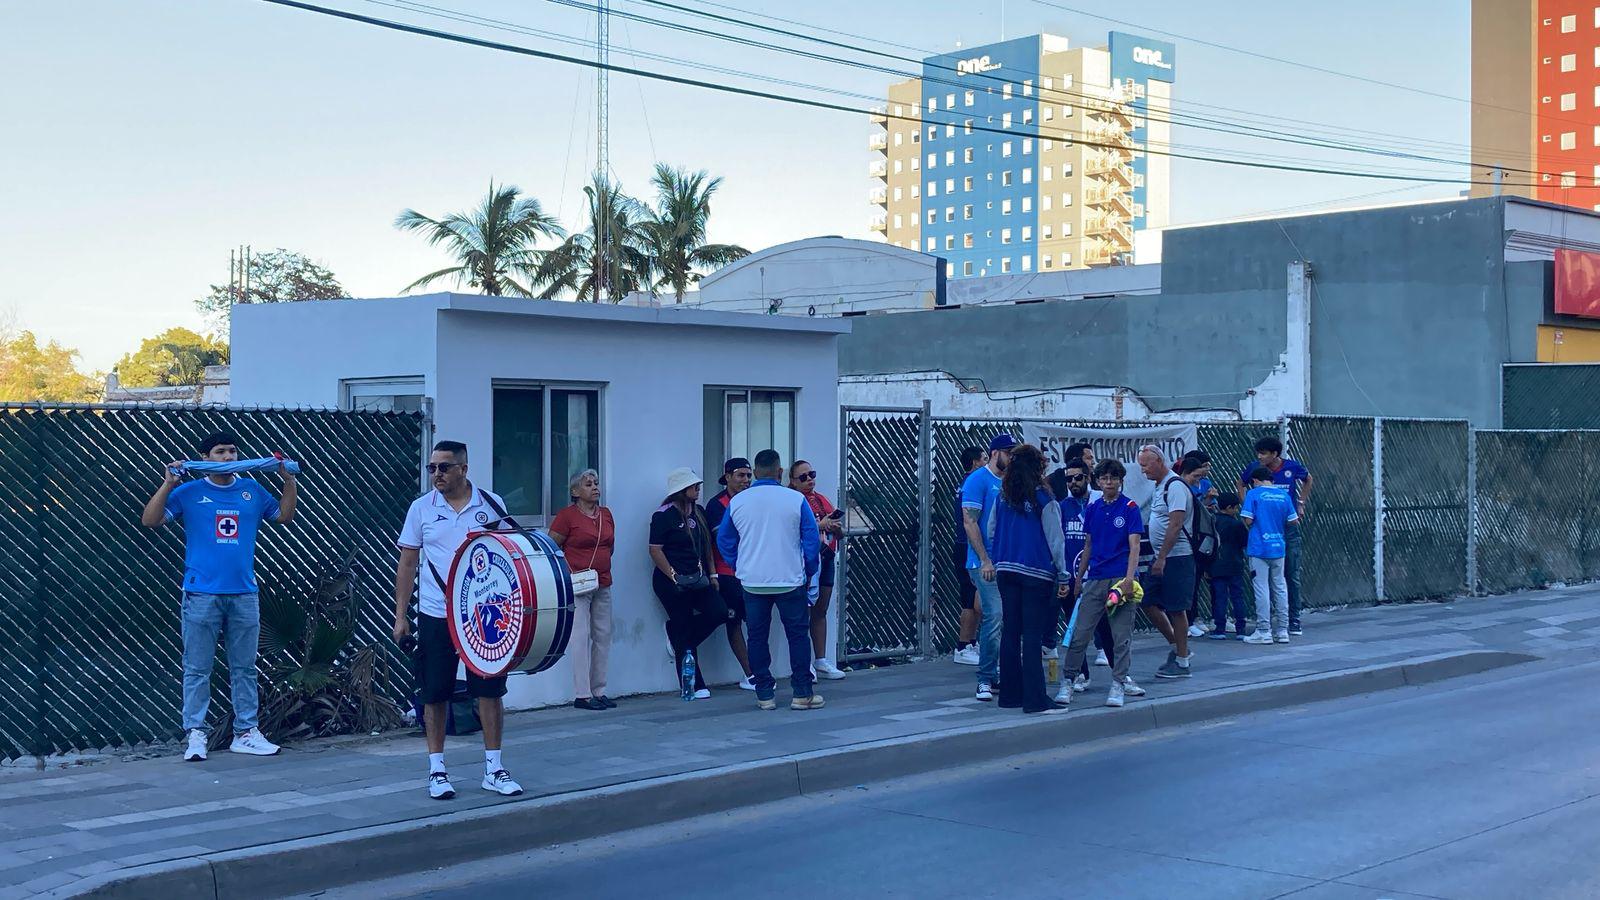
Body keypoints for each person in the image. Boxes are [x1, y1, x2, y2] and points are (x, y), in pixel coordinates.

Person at [142, 431, 296, 762]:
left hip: (244, 593)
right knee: (197, 667)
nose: (227, 457)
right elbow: (150, 520)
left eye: (232, 451)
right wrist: (168, 484)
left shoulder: (251, 490)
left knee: (245, 667)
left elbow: (283, 516)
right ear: (206, 458)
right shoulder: (189, 492)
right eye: (220, 452)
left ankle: (246, 733)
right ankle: (196, 735)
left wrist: (288, 481)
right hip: (201, 595)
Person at [393, 440, 522, 799]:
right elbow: (407, 563)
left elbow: (509, 556)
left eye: (444, 467)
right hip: (435, 613)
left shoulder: (492, 504)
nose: (436, 474)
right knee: (435, 692)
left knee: (489, 690)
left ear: (463, 469)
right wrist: (401, 615)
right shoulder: (421, 509)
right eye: (432, 468)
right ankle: (437, 771)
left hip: (482, 613)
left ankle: (494, 769)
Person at [718, 449, 824, 711]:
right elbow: (811, 541)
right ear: (780, 472)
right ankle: (802, 693)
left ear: (754, 472)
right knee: (797, 636)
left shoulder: (739, 502)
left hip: (753, 581)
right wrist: (808, 570)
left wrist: (738, 564)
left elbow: (724, 541)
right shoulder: (795, 500)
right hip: (789, 579)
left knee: (756, 636)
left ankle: (764, 694)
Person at [990, 444, 1072, 714]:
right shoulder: (1044, 499)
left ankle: (1010, 696)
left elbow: (991, 530)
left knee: (1011, 632)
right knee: (1033, 635)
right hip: (1036, 571)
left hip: (1006, 568)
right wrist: (1062, 574)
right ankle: (1035, 700)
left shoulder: (1003, 497)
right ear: (1039, 468)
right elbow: (1055, 539)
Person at [1060, 459, 1143, 709]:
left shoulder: (1130, 507)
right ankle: (1068, 679)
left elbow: (1134, 546)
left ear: (1120, 481)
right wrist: (1078, 578)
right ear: (1098, 481)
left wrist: (1129, 579)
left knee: (1121, 635)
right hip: (1095, 577)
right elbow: (1088, 545)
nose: (1109, 483)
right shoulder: (1094, 508)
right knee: (1080, 633)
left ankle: (1118, 683)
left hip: (1120, 578)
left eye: (1113, 478)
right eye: (1104, 479)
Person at [649, 468, 730, 700]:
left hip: (699, 579)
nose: (698, 488)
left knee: (719, 612)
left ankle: (676, 636)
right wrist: (672, 574)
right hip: (671, 581)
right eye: (693, 485)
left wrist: (713, 575)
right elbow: (655, 549)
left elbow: (707, 548)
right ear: (681, 490)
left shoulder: (699, 513)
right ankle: (694, 683)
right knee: (683, 623)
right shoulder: (663, 515)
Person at [549, 469, 616, 711]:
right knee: (579, 636)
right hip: (577, 583)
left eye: (596, 483)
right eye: (588, 484)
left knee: (603, 635)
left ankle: (600, 690)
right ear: (575, 492)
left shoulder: (606, 515)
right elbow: (552, 546)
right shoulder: (567, 516)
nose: (595, 488)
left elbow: (610, 546)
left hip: (603, 581)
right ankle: (583, 694)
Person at [1237, 436, 1313, 635]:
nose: (1260, 457)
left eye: (1264, 453)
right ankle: (1272, 625)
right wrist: (1248, 505)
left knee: (1290, 574)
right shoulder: (1255, 469)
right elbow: (1241, 483)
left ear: (1275, 454)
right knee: (1271, 579)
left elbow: (1308, 479)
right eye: (1259, 453)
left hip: (1286, 527)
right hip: (1265, 526)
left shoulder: (1291, 467)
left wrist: (1301, 503)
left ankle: (1291, 619)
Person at [961, 433, 1017, 702]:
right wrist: (985, 559)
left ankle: (995, 674)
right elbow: (970, 523)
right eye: (1008, 452)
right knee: (994, 614)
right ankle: (984, 678)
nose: (1012, 457)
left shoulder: (1010, 482)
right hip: (984, 562)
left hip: (1007, 562)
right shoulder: (977, 481)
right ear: (995, 453)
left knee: (1002, 616)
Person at [1137, 445, 1196, 680]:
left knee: (1176, 608)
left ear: (1159, 461)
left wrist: (1161, 557)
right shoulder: (1160, 486)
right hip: (1161, 557)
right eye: (1140, 466)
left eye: (1146, 465)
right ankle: (1178, 645)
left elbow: (1175, 523)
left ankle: (1182, 662)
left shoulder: (1175, 486)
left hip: (1177, 557)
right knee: (1147, 600)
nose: (1143, 470)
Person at [790, 460, 846, 680]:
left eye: (811, 474)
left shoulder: (822, 499)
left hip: (827, 556)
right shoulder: (793, 500)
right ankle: (804, 663)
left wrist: (835, 528)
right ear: (793, 482)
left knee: (820, 609)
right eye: (803, 477)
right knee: (801, 610)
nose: (809, 480)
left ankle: (821, 659)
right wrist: (818, 526)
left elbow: (838, 532)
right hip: (804, 560)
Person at [704, 458, 757, 691]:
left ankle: (759, 670)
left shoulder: (755, 499)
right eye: (741, 475)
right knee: (732, 621)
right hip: (727, 572)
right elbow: (723, 539)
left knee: (756, 622)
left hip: (754, 572)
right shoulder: (716, 505)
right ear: (727, 477)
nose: (746, 480)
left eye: (748, 475)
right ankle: (750, 674)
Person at [1241, 468, 1300, 645]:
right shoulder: (1284, 496)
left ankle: (1263, 630)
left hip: (1259, 547)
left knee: (1261, 588)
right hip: (1278, 546)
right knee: (1280, 586)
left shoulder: (1253, 494)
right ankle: (1283, 630)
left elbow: (1248, 520)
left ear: (1255, 480)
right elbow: (1293, 520)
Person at [952, 446, 986, 666]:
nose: (986, 463)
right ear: (974, 463)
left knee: (973, 595)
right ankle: (963, 646)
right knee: (970, 597)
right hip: (967, 546)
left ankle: (972, 642)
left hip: (967, 545)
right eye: (984, 459)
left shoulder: (969, 484)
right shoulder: (970, 485)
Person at [1208, 492, 1250, 640]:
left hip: (1216, 565)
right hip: (1235, 564)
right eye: (1236, 508)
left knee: (1220, 597)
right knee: (1237, 596)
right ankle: (1240, 629)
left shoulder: (1212, 522)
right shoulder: (1237, 524)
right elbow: (1245, 543)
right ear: (1230, 507)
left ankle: (1220, 628)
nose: (1237, 510)